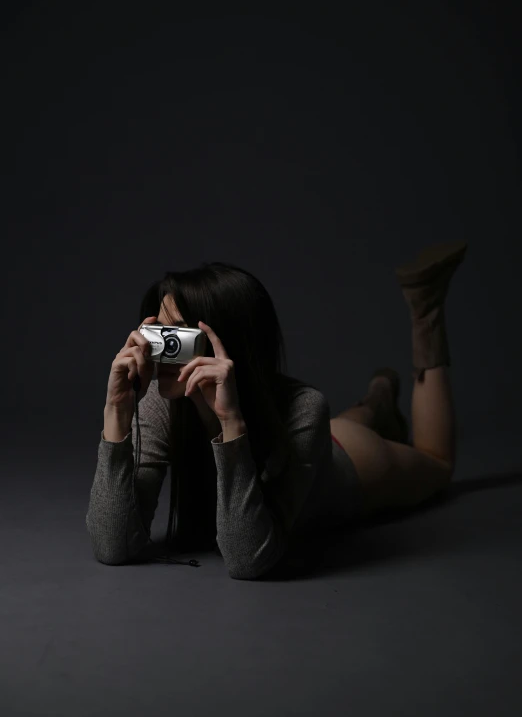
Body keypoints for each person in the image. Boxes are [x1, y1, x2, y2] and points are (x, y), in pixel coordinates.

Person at [86, 242, 467, 579]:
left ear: (225, 342)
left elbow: (248, 559)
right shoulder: (161, 402)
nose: (160, 351)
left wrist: (230, 422)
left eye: (177, 338)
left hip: (342, 462)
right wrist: (117, 411)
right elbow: (112, 545)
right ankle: (378, 398)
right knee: (360, 417)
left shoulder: (303, 408)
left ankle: (425, 308)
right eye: (158, 334)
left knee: (437, 464)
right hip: (310, 438)